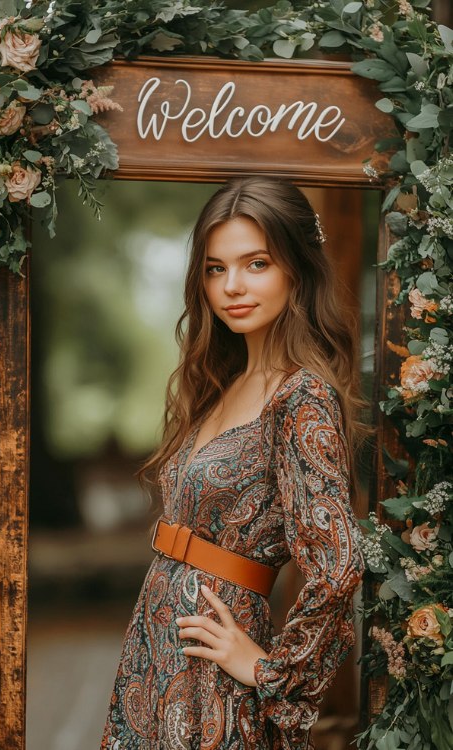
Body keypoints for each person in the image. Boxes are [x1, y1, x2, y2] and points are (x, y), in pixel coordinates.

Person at [100, 176, 370, 750]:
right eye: (216, 268)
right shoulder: (222, 385)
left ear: (296, 269)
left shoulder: (301, 398)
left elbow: (339, 562)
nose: (233, 287)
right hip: (157, 647)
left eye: (256, 264)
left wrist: (271, 668)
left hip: (214, 668)